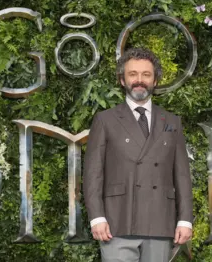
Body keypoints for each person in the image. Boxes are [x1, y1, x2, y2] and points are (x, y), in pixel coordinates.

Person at [83, 47, 193, 262]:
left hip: (160, 220)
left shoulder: (172, 122)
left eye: (146, 74)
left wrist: (185, 219)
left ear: (155, 81)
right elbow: (93, 174)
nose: (139, 80)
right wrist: (96, 217)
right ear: (122, 80)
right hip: (117, 220)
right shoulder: (105, 120)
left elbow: (181, 175)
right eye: (133, 74)